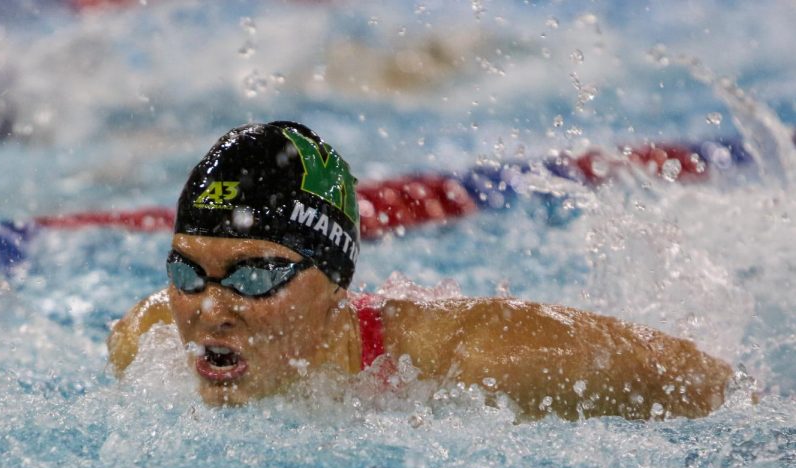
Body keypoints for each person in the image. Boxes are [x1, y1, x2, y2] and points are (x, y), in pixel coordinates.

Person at [108, 121, 733, 420]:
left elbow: (708, 386)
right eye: (188, 273)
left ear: (334, 284)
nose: (211, 309)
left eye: (252, 278)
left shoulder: (482, 358)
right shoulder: (148, 340)